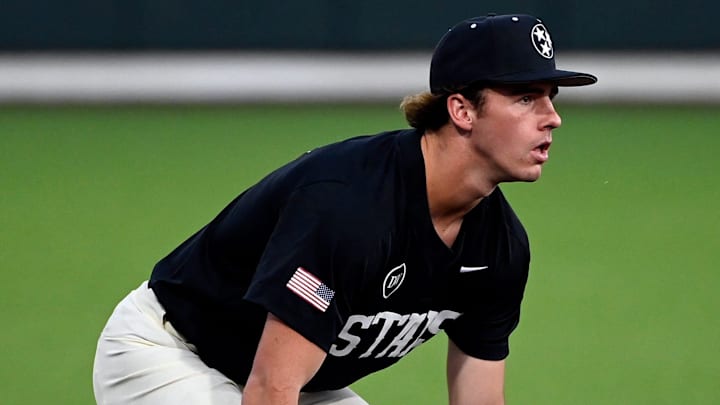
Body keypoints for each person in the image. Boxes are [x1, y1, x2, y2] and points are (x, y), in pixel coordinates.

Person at [93, 13, 596, 405]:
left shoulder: (500, 248)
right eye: (526, 97)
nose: (552, 118)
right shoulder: (350, 207)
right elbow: (270, 390)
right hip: (170, 356)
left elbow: (478, 396)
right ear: (461, 110)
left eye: (551, 98)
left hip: (295, 380)